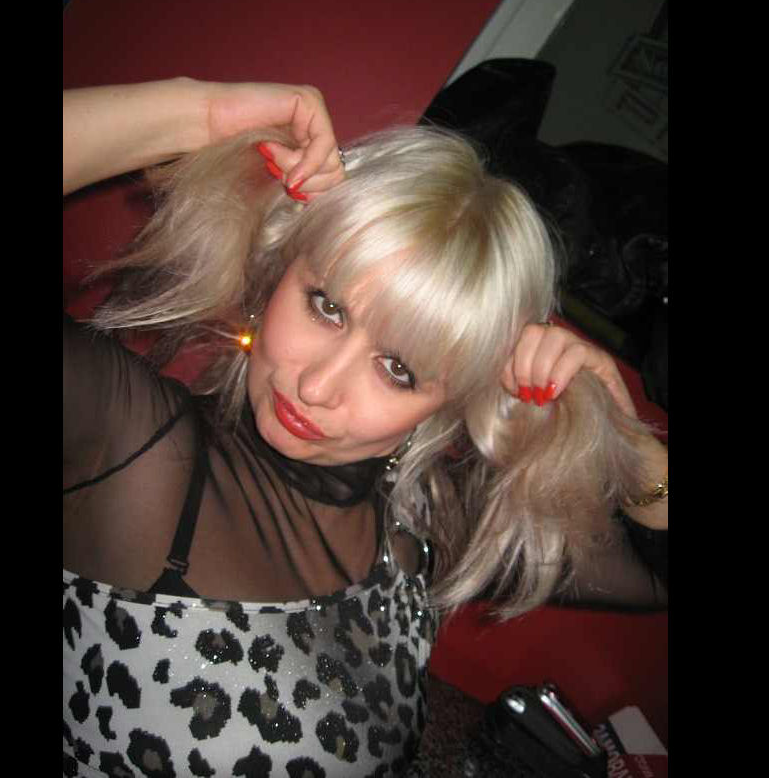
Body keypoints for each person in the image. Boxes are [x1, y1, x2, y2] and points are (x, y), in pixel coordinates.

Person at [63, 78, 667, 778]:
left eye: (398, 369)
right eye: (326, 305)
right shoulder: (132, 450)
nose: (316, 387)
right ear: (279, 272)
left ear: (448, 402)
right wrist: (199, 114)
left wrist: (628, 443)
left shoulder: (424, 526)